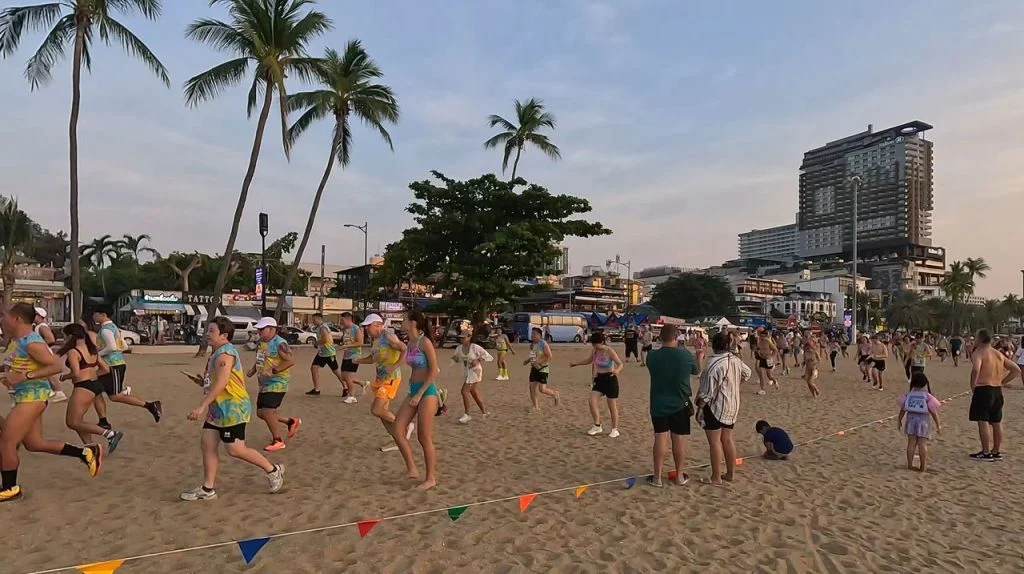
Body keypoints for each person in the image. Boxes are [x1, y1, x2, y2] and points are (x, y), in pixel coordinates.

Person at [0, 303, 102, 502]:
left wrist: (25, 376)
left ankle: (11, 488)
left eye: (5, 316)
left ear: (17, 319)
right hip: (25, 397)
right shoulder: (19, 341)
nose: (2, 320)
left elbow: (56, 366)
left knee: (7, 442)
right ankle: (85, 452)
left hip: (33, 397)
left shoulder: (32, 342)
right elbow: (13, 368)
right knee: (34, 444)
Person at [179, 317, 284, 500]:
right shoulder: (216, 353)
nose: (207, 334)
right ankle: (207, 488)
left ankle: (273, 470)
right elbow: (217, 381)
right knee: (208, 445)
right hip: (217, 409)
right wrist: (201, 382)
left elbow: (222, 381)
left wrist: (201, 406)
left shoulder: (226, 353)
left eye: (211, 331)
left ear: (224, 335)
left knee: (235, 449)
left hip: (232, 408)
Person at [91, 305, 161, 428]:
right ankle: (103, 420)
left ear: (103, 314)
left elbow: (112, 347)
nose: (93, 316)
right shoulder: (114, 328)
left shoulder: (106, 330)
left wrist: (97, 355)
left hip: (113, 366)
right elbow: (123, 346)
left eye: (96, 313)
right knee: (94, 389)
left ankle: (150, 405)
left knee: (114, 396)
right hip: (111, 365)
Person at [57, 323, 123, 453]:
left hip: (83, 387)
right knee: (78, 420)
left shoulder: (73, 351)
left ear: (71, 336)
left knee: (72, 422)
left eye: (65, 336)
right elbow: (105, 369)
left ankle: (109, 434)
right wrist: (92, 375)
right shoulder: (92, 349)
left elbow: (76, 373)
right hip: (94, 384)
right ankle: (91, 446)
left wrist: (65, 377)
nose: (64, 339)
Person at [645, 325, 698, 487]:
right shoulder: (685, 355)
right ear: (676, 337)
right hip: (679, 403)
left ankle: (657, 477)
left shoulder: (652, 356)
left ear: (660, 338)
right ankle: (679, 476)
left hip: (659, 402)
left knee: (660, 438)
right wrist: (699, 358)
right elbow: (696, 371)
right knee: (678, 440)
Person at [392, 311, 439, 490]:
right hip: (413, 390)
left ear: (412, 323)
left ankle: (430, 478)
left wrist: (420, 393)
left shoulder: (424, 342)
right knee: (398, 429)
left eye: (404, 320)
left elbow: (434, 370)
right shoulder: (410, 342)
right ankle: (412, 468)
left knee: (424, 437)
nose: (401, 322)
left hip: (426, 391)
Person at [695, 331, 750, 485]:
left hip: (715, 407)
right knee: (727, 439)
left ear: (713, 346)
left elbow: (707, 393)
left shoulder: (713, 364)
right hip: (732, 404)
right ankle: (730, 474)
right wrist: (734, 384)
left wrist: (700, 407)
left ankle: (716, 477)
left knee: (714, 442)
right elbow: (747, 373)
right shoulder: (735, 360)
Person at [354, 314, 410, 452]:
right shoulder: (376, 340)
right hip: (381, 379)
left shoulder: (387, 335)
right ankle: (397, 439)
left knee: (376, 410)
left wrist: (395, 365)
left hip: (390, 379)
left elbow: (404, 349)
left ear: (377, 325)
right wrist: (357, 360)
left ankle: (405, 427)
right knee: (382, 413)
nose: (366, 329)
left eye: (368, 326)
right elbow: (373, 359)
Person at [247, 318, 301, 452]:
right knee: (261, 413)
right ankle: (291, 421)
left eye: (262, 329)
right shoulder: (261, 342)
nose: (259, 332)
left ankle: (278, 440)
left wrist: (273, 371)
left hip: (278, 382)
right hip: (264, 382)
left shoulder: (279, 343)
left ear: (272, 329)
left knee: (267, 411)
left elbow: (290, 361)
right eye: (258, 329)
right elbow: (261, 358)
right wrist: (253, 370)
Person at [968, 329, 1021, 461]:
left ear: (979, 339)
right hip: (997, 390)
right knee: (996, 421)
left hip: (984, 389)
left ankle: (986, 452)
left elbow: (976, 369)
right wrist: (1002, 382)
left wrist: (973, 384)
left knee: (983, 421)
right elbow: (1016, 370)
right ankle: (996, 450)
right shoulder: (998, 354)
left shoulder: (979, 353)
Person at [570, 332, 624, 438]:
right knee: (592, 401)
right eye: (593, 345)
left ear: (602, 342)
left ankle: (615, 429)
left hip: (610, 379)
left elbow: (620, 364)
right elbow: (589, 360)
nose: (595, 347)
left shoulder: (609, 351)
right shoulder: (595, 351)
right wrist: (576, 364)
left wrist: (617, 371)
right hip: (599, 379)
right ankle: (597, 425)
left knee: (612, 406)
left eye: (597, 344)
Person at [897, 372, 941, 472]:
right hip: (923, 422)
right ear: (925, 383)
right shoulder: (927, 396)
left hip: (911, 421)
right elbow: (933, 412)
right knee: (922, 444)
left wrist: (899, 420)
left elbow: (902, 409)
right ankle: (923, 466)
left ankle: (909, 464)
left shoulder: (908, 395)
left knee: (911, 443)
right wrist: (938, 424)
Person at [452, 321, 493, 424]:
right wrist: (455, 359)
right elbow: (455, 358)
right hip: (467, 372)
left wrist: (477, 360)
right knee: (473, 392)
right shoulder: (459, 348)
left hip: (475, 372)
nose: (462, 339)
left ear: (469, 337)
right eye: (461, 338)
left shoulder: (475, 347)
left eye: (464, 337)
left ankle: (467, 414)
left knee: (464, 391)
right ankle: (484, 412)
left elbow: (488, 357)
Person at [306, 313, 348, 397]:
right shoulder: (320, 328)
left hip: (329, 353)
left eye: (314, 320)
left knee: (336, 371)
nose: (313, 321)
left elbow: (325, 339)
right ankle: (316, 389)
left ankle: (345, 387)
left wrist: (316, 343)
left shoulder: (323, 328)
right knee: (314, 368)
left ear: (319, 319)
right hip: (322, 353)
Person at [32, 307, 67, 402]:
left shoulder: (42, 326)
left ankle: (58, 392)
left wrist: (40, 347)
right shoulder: (40, 326)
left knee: (47, 372)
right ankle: (51, 391)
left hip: (44, 352)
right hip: (43, 351)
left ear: (39, 316)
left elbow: (50, 339)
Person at [336, 312, 368, 403]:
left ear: (348, 319)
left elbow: (360, 342)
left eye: (342, 320)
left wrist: (347, 346)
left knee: (348, 376)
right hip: (346, 355)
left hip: (354, 355)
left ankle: (352, 396)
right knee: (343, 377)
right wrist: (344, 345)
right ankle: (363, 383)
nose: (341, 322)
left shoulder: (356, 328)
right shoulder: (345, 329)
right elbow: (347, 341)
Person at [524, 327, 559, 409]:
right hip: (534, 369)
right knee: (531, 387)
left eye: (534, 334)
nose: (532, 335)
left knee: (542, 389)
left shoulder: (543, 343)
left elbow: (550, 356)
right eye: (532, 334)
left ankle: (554, 394)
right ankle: (536, 407)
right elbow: (532, 355)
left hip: (543, 369)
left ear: (539, 335)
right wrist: (527, 361)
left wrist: (541, 363)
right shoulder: (532, 345)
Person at [753, 329, 779, 395]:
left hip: (768, 359)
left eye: (763, 336)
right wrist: (757, 352)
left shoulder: (768, 341)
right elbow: (757, 348)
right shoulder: (759, 342)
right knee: (761, 374)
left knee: (769, 376)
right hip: (762, 359)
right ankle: (762, 389)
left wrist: (772, 357)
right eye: (761, 336)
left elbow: (775, 350)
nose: (762, 338)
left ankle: (775, 381)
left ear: (766, 336)